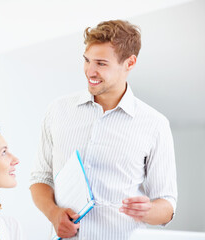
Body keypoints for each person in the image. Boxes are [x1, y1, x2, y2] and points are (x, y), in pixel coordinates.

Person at [29, 20, 177, 240]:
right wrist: (53, 213)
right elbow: (40, 178)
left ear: (130, 63)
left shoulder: (155, 124)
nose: (90, 71)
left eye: (101, 63)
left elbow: (167, 205)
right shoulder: (58, 111)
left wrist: (149, 211)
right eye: (87, 60)